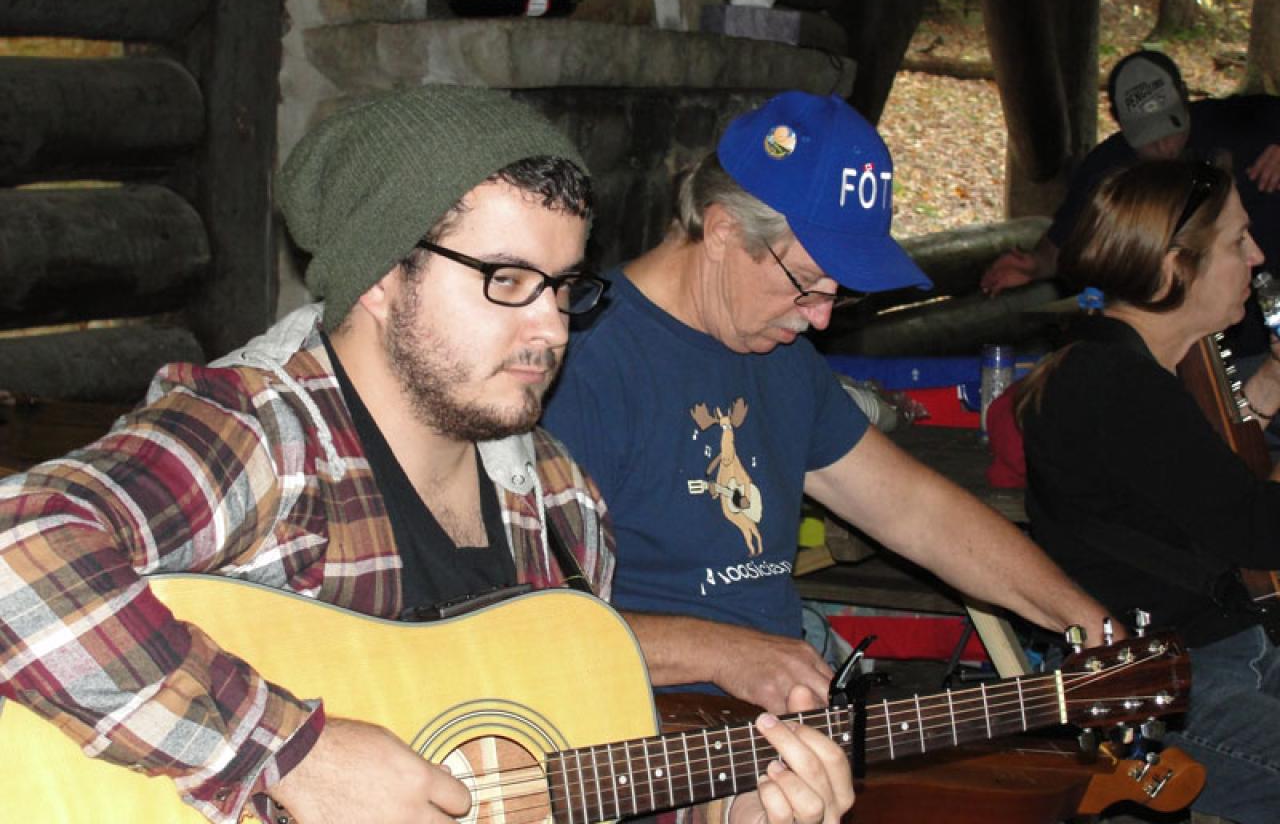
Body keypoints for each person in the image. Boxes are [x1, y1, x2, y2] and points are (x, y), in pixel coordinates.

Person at [0, 86, 852, 824]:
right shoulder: (264, 437)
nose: (552, 328)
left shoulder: (562, 503)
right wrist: (289, 752)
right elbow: (17, 547)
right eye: (506, 281)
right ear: (382, 272)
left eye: (562, 287)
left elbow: (545, 779)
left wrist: (725, 810)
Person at [541, 90, 1115, 714]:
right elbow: (523, 625)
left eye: (838, 294)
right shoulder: (579, 366)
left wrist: (1089, 625)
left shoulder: (776, 352)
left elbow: (915, 510)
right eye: (808, 283)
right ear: (724, 230)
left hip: (779, 718)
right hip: (646, 736)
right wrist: (721, 652)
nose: (819, 319)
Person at [1016, 158, 1280, 824]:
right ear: (1172, 269)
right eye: (1236, 241)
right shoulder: (1116, 386)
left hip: (1225, 654)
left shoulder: (1137, 365)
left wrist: (1270, 388)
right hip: (1168, 692)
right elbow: (1259, 532)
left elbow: (1203, 486)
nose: (1257, 256)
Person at [980, 50, 1280, 350]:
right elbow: (1067, 241)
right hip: (1179, 342)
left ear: (1183, 96)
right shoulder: (1107, 169)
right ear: (1119, 122)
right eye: (1150, 137)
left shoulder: (1243, 121)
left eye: (1172, 128)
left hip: (1265, 321)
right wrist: (1033, 265)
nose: (1165, 146)